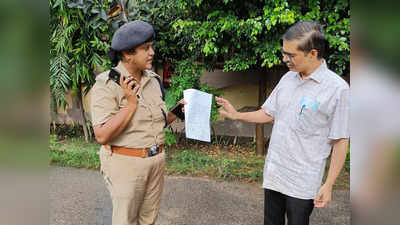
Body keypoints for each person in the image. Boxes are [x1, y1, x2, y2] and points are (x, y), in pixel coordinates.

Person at [216, 20, 350, 225]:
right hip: (275, 174)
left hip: (302, 181)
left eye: (291, 55)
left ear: (313, 53)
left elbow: (340, 139)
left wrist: (329, 184)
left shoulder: (337, 89)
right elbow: (269, 113)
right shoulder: (288, 79)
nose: (285, 59)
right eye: (284, 53)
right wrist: (237, 115)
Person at [91, 20, 183, 225]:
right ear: (127, 53)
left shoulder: (153, 80)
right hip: (126, 164)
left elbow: (155, 122)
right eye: (146, 48)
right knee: (126, 221)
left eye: (152, 46)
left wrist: (178, 111)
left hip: (156, 161)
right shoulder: (107, 84)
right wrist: (130, 104)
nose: (152, 52)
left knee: (149, 220)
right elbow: (102, 135)